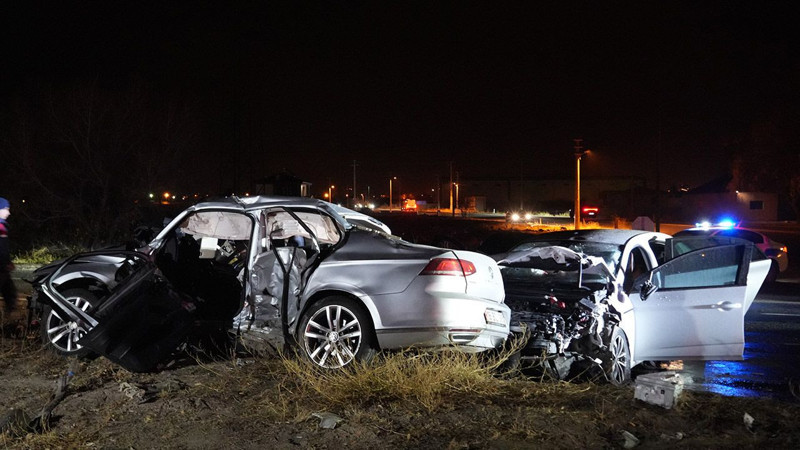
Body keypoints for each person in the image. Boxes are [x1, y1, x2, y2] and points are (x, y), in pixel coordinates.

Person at [0, 197, 17, 312]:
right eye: (6, 209)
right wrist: (5, 263)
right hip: (1, 267)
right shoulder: (1, 227)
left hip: (2, 267)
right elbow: (1, 248)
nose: (8, 212)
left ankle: (10, 314)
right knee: (10, 293)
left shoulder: (2, 226)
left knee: (10, 292)